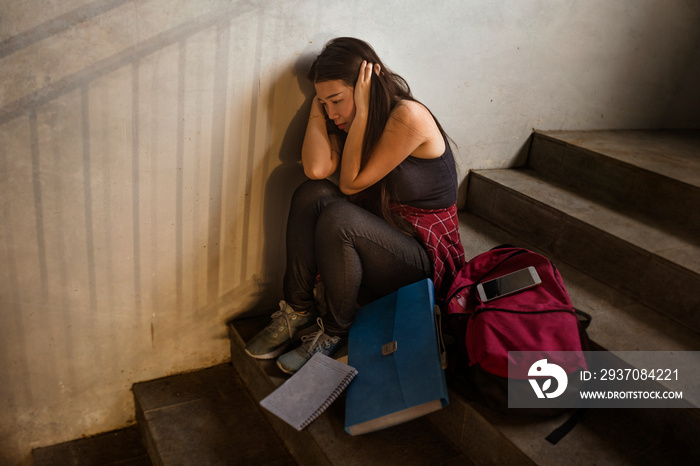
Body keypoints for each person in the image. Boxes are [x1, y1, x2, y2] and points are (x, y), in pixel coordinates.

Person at [245, 37, 465, 374]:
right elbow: (316, 169)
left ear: (366, 87)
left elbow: (350, 184)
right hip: (383, 240)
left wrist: (359, 114)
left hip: (425, 259)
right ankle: (297, 310)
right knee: (312, 192)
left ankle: (333, 331)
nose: (333, 113)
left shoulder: (408, 116)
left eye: (337, 100)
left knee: (339, 216)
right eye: (324, 103)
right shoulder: (343, 120)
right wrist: (320, 110)